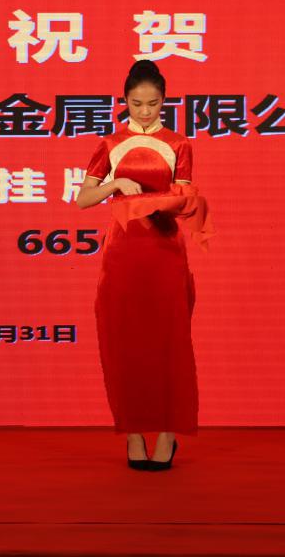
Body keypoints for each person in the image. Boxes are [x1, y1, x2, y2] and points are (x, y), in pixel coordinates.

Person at [76, 60, 200, 471]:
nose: (145, 112)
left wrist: (164, 202)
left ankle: (167, 434)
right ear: (125, 101)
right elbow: (83, 199)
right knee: (123, 342)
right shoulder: (111, 144)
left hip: (164, 250)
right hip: (123, 252)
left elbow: (185, 200)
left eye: (153, 104)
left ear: (164, 101)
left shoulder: (178, 144)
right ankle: (132, 433)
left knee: (169, 342)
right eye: (136, 104)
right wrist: (114, 184)